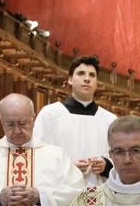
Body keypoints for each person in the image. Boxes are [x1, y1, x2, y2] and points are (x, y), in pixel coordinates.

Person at [34, 55, 117, 187]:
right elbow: (38, 156)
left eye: (92, 75)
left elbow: (120, 159)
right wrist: (68, 167)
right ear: (70, 80)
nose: (87, 79)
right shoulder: (50, 114)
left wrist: (106, 165)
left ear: (97, 83)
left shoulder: (110, 120)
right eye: (81, 73)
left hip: (99, 193)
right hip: (61, 191)